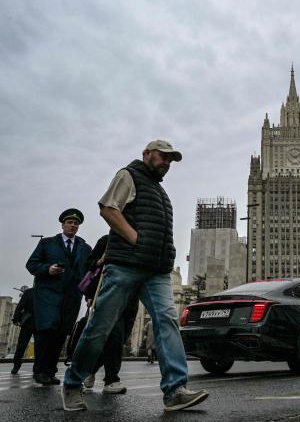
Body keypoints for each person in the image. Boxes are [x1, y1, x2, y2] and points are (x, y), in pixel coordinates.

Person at [62, 140, 209, 412]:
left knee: (167, 322)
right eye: (161, 156)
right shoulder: (129, 175)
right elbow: (108, 208)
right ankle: (72, 383)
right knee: (100, 326)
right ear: (147, 155)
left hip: (156, 271)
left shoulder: (159, 192)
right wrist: (135, 239)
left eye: (169, 160)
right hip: (126, 265)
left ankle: (175, 390)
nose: (165, 162)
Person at [26, 208, 92, 385]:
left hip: (71, 297)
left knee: (61, 333)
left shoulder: (85, 248)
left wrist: (89, 294)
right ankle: (40, 371)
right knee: (46, 331)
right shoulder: (47, 243)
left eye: (76, 223)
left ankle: (51, 371)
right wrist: (48, 269)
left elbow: (88, 274)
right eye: (70, 222)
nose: (73, 225)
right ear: (62, 224)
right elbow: (31, 265)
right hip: (49, 294)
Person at [82, 235, 139, 394]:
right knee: (115, 334)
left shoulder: (139, 239)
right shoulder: (107, 240)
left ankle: (91, 369)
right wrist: (101, 260)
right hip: (109, 292)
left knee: (120, 338)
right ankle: (111, 379)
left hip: (132, 297)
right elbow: (89, 264)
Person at [11, 285, 37, 375]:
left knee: (21, 344)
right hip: (41, 323)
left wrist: (16, 319)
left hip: (28, 322)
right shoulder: (46, 292)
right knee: (40, 346)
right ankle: (36, 368)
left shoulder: (29, 292)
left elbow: (20, 305)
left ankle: (16, 365)